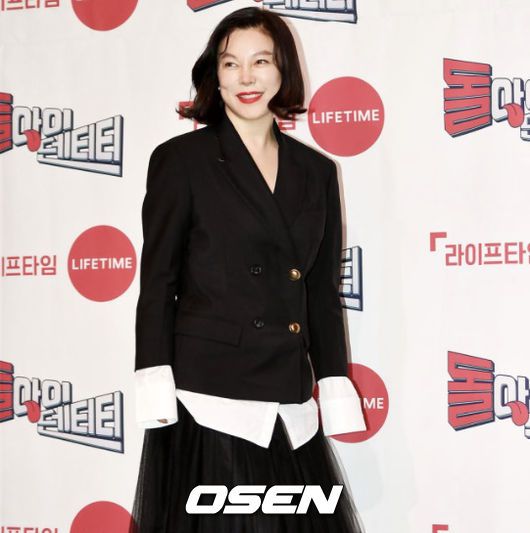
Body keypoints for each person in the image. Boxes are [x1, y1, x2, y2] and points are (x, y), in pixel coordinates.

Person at [131, 6, 367, 533]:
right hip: (211, 397)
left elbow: (321, 294)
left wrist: (332, 380)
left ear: (283, 70)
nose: (245, 77)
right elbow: (158, 281)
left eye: (260, 61)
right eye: (230, 63)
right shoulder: (182, 160)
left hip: (290, 399)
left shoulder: (317, 171)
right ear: (214, 74)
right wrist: (153, 374)